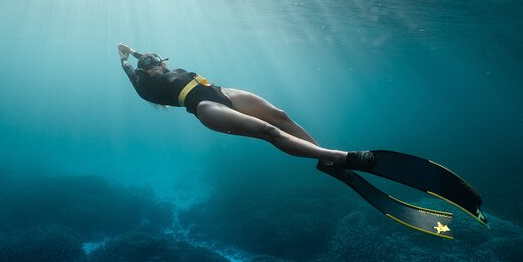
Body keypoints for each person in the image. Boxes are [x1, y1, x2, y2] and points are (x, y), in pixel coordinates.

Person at [117, 43, 375, 170]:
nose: (151, 65)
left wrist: (134, 51)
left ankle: (322, 157)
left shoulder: (166, 69)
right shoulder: (148, 87)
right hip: (205, 107)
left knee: (280, 117)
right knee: (269, 131)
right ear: (143, 73)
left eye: (155, 61)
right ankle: (341, 157)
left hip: (222, 92)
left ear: (162, 62)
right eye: (146, 66)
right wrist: (124, 59)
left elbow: (150, 60)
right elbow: (135, 73)